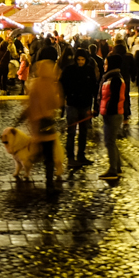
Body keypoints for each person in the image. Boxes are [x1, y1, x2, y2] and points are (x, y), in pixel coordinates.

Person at [23, 49, 62, 189]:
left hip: (38, 123)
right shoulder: (53, 85)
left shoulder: (34, 84)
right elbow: (57, 103)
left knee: (37, 149)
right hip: (49, 122)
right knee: (49, 154)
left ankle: (30, 166)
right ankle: (49, 180)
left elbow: (30, 104)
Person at [61, 49, 97, 168]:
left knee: (84, 131)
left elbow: (94, 88)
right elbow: (62, 84)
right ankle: (70, 157)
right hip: (72, 104)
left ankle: (81, 155)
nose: (80, 62)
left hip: (85, 104)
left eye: (82, 60)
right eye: (79, 60)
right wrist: (66, 96)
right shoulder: (69, 70)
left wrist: (95, 106)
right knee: (71, 132)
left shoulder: (89, 70)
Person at [98, 54, 129, 180]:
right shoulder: (111, 77)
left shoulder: (115, 79)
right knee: (111, 141)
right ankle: (117, 166)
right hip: (112, 113)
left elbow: (114, 98)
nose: (104, 66)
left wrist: (107, 111)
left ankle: (113, 170)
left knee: (109, 141)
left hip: (113, 114)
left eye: (106, 63)